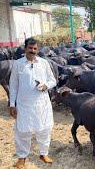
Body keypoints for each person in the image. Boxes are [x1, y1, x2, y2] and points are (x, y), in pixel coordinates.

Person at [9, 37, 57, 168]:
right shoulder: (18, 64)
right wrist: (12, 104)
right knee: (23, 131)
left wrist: (45, 85)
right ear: (25, 49)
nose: (33, 51)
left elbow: (53, 80)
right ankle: (22, 157)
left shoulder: (44, 63)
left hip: (42, 103)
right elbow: (13, 85)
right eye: (30, 48)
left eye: (35, 48)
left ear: (38, 49)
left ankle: (43, 153)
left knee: (44, 129)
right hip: (24, 104)